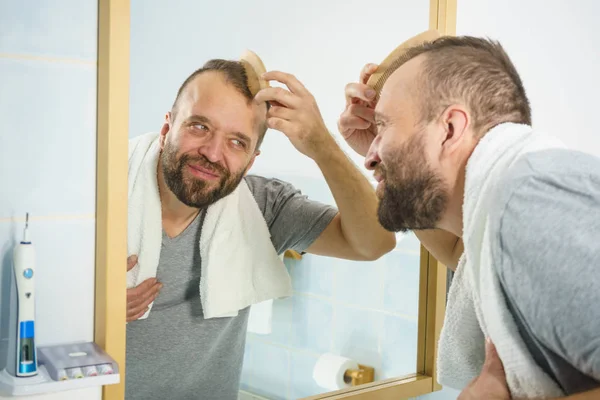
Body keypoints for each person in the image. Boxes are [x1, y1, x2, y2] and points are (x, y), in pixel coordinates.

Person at [338, 36, 600, 398]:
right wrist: (387, 165)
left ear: (449, 129)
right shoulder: (507, 214)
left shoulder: (533, 198)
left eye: (383, 125)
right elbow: (464, 254)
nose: (369, 155)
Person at [125, 59, 396, 400]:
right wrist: (84, 310)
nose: (212, 153)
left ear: (252, 160)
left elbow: (374, 243)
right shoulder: (94, 203)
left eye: (237, 142)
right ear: (167, 129)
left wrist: (321, 145)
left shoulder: (262, 207)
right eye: (199, 127)